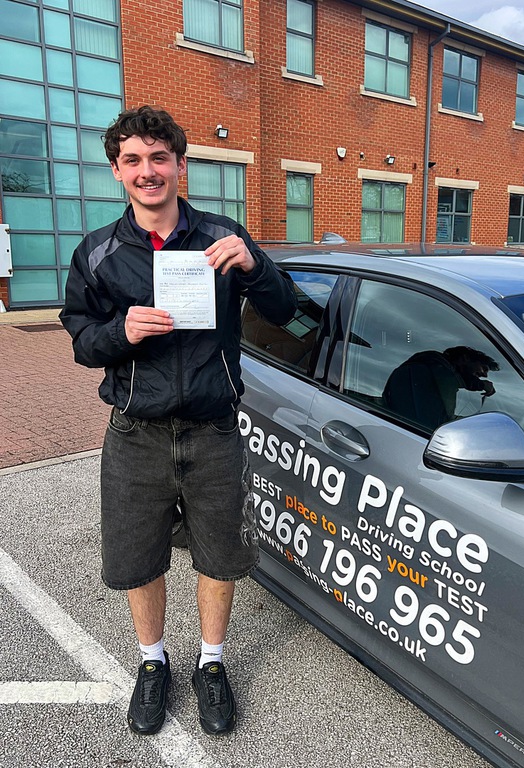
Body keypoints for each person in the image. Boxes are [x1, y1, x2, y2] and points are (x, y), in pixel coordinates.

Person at [59, 106, 297, 737]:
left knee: (219, 555)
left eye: (159, 158)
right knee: (140, 558)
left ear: (180, 165)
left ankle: (211, 663)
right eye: (133, 160)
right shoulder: (98, 253)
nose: (148, 171)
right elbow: (81, 341)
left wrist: (255, 265)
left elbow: (287, 311)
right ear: (117, 171)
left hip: (213, 431)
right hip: (135, 434)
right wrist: (121, 331)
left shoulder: (223, 236)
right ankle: (153, 661)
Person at [382, 345, 499, 431]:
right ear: (465, 359)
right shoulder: (434, 368)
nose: (485, 375)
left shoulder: (432, 368)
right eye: (484, 368)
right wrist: (481, 385)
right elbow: (453, 378)